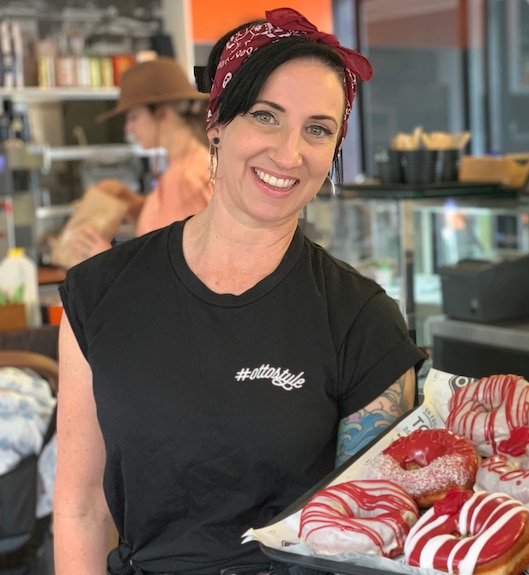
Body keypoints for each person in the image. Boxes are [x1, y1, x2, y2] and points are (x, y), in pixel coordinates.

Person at [54, 8, 425, 575]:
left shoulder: (361, 319)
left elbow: (372, 534)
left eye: (318, 129)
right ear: (218, 122)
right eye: (266, 116)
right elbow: (81, 510)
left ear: (333, 154)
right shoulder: (99, 293)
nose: (288, 152)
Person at [61, 57, 213, 267]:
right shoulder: (184, 168)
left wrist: (107, 258)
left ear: (164, 114)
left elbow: (181, 271)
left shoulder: (186, 178)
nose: (128, 128)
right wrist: (130, 202)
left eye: (133, 117)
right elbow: (167, 233)